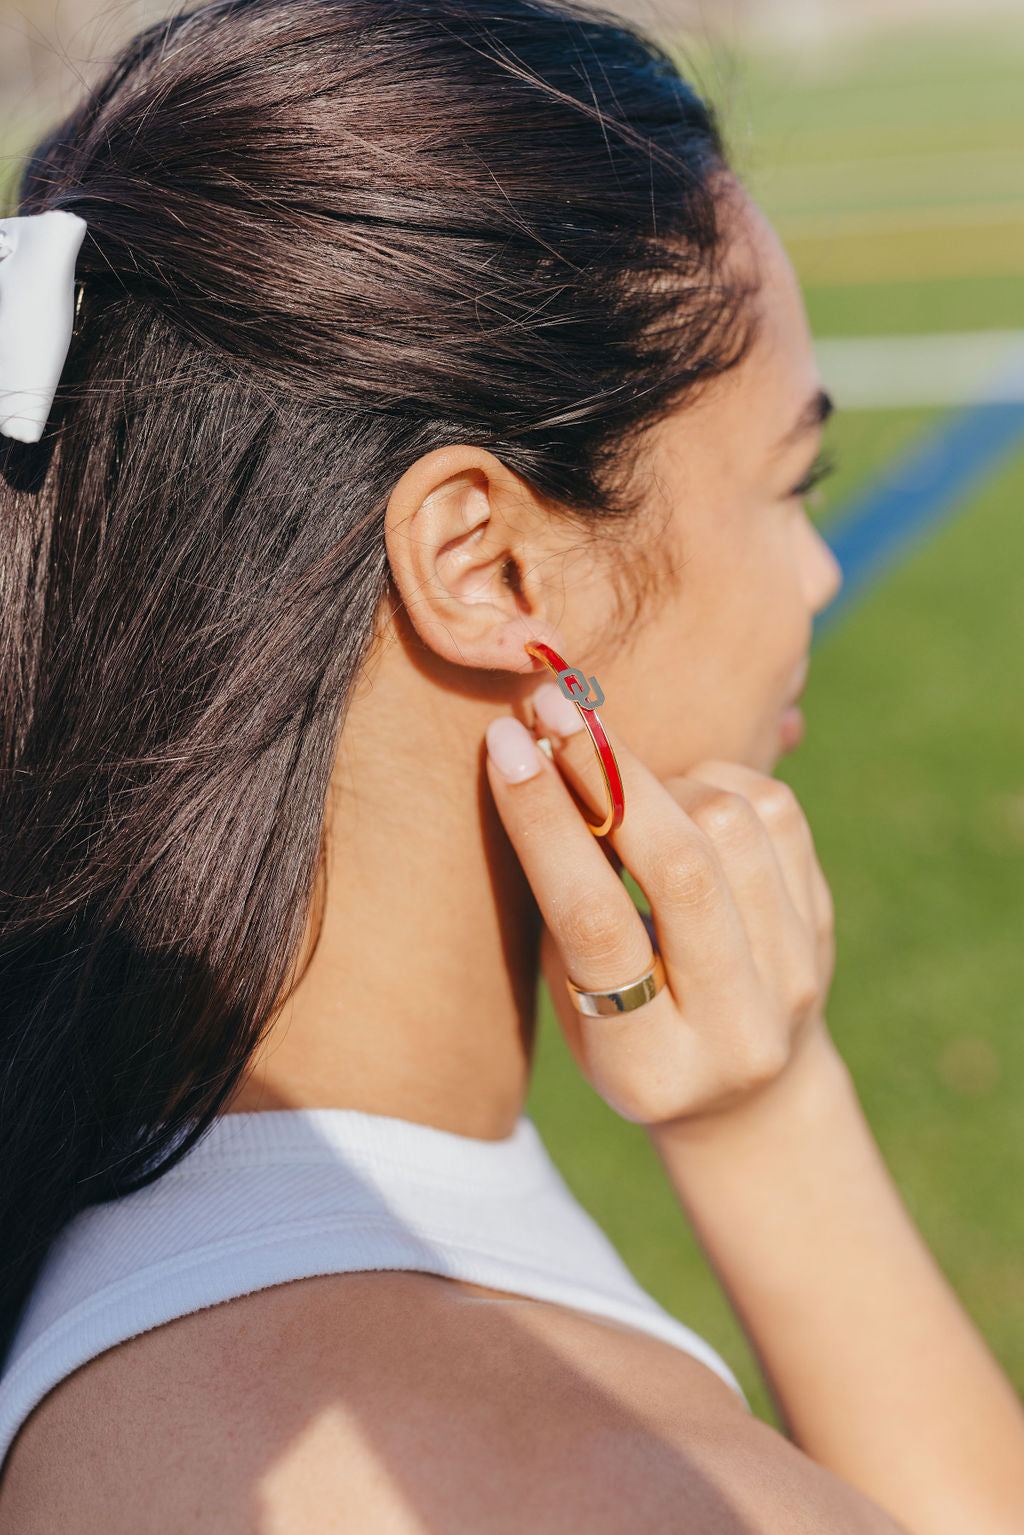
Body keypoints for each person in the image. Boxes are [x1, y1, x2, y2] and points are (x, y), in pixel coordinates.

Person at [1, 0, 1023, 1528]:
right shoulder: (550, 1479)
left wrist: (760, 1113)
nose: (818, 576)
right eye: (789, 481)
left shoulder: (103, 1154)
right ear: (487, 567)